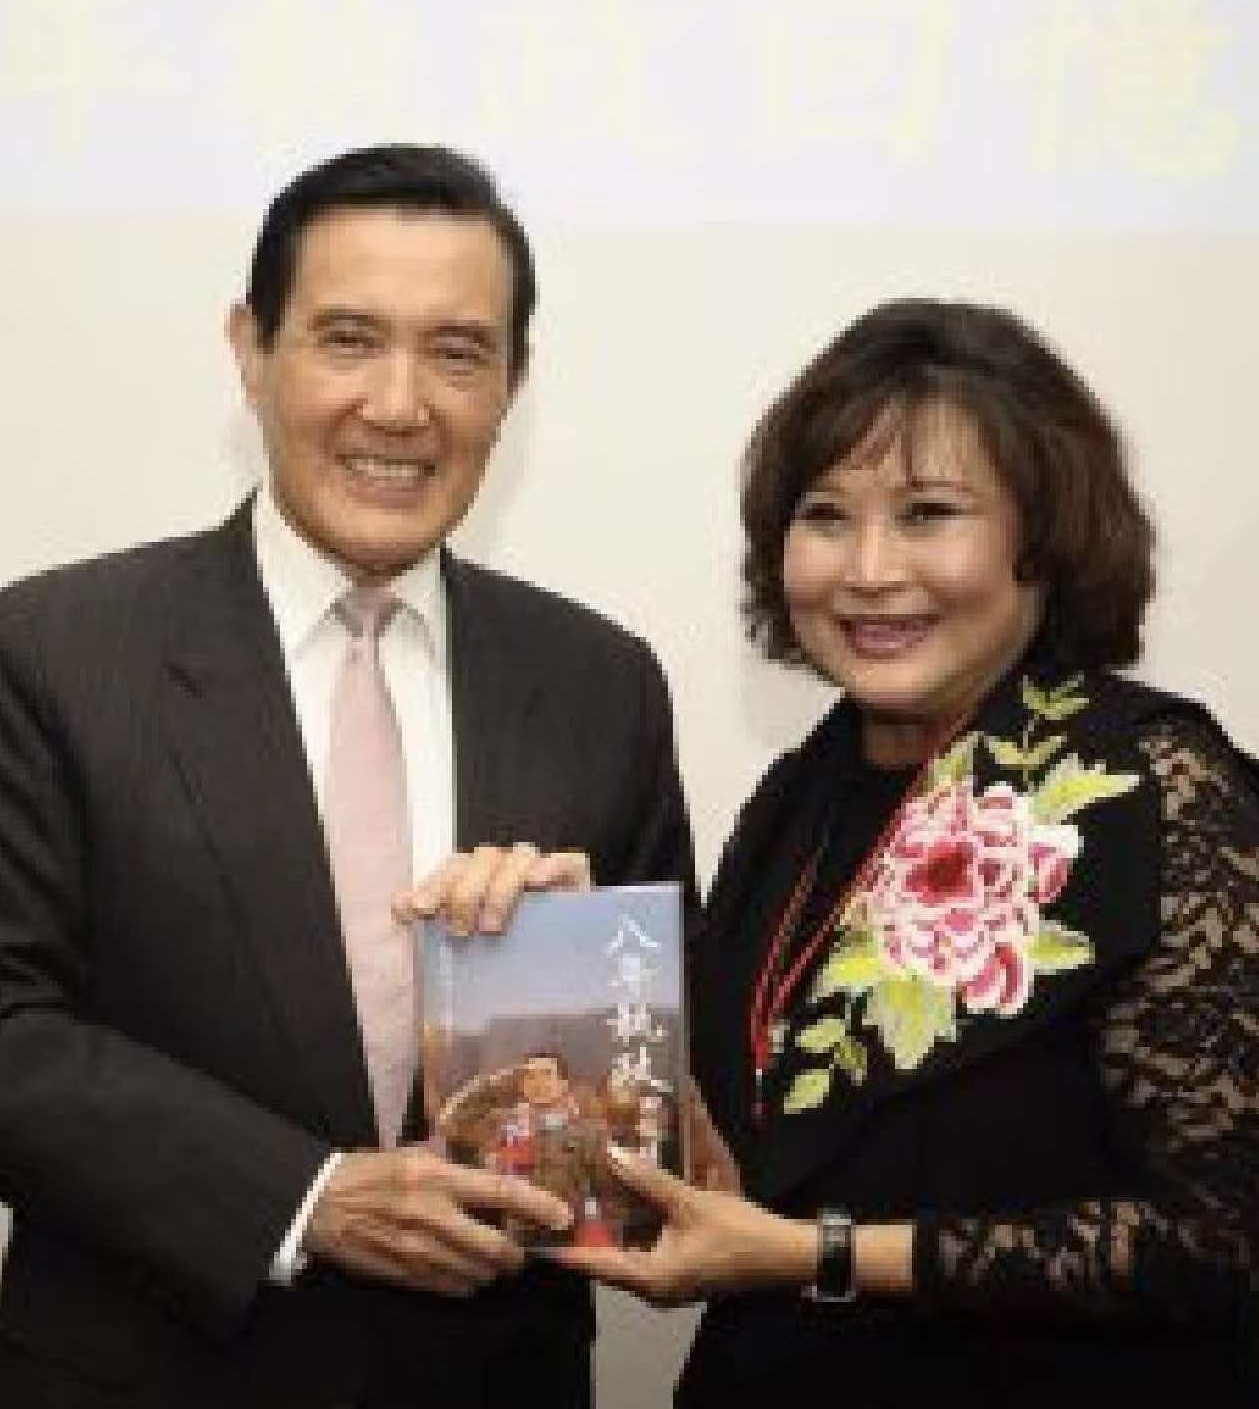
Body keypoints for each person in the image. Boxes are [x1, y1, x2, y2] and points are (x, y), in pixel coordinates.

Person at [0, 144, 694, 1407]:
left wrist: (582, 981)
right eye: (347, 339)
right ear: (250, 350)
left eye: (457, 352)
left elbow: (664, 1095)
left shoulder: (600, 681)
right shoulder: (52, 650)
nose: (398, 404)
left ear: (513, 383)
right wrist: (307, 1196)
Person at [555, 298, 1259, 1405]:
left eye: (928, 513)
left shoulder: (1155, 786)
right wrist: (557, 945)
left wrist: (820, 1255)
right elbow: (754, 1148)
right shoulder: (802, 792)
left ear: (1043, 539)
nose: (869, 569)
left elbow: (1218, 1239)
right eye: (825, 516)